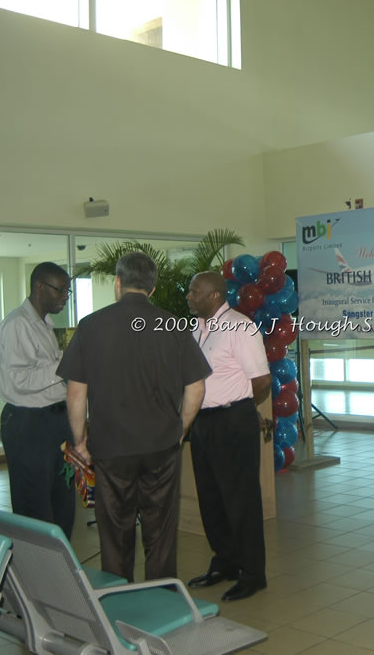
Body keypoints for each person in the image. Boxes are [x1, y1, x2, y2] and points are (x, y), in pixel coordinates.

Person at [57, 252, 211, 582]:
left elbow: (75, 392)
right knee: (161, 531)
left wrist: (80, 440)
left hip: (111, 446)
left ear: (117, 282)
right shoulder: (173, 325)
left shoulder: (91, 326)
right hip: (161, 446)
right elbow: (196, 387)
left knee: (114, 532)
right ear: (153, 289)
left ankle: (117, 600)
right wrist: (179, 429)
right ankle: (162, 603)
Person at [184, 271, 271, 602]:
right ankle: (225, 563)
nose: (189, 297)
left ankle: (252, 574)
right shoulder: (196, 329)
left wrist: (241, 410)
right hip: (202, 422)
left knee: (241, 500)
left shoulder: (240, 326)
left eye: (195, 292)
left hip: (233, 420)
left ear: (215, 296)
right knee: (211, 499)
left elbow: (261, 381)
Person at [0, 262, 76, 538]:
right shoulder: (18, 323)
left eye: (68, 291)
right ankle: (36, 571)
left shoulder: (44, 323)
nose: (65, 297)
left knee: (62, 501)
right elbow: (16, 381)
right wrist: (64, 365)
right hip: (29, 424)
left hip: (55, 421)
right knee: (34, 505)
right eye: (60, 290)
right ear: (39, 287)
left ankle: (61, 568)